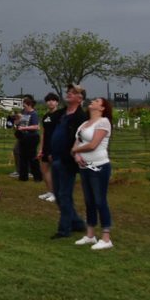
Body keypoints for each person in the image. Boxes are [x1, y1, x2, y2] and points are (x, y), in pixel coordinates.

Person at [72, 97, 115, 250]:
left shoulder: (103, 122)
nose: (93, 102)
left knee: (100, 200)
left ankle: (106, 237)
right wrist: (76, 156)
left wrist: (75, 151)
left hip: (99, 166)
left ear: (102, 108)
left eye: (97, 101)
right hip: (85, 167)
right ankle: (90, 235)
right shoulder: (84, 124)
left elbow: (93, 144)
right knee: (89, 201)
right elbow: (76, 142)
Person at [49, 84, 89, 239]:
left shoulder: (81, 118)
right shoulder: (61, 114)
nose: (69, 94)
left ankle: (64, 229)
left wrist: (70, 155)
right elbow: (48, 126)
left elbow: (81, 139)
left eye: (73, 92)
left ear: (80, 98)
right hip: (56, 157)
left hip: (68, 161)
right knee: (58, 195)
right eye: (68, 92)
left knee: (65, 194)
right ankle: (77, 223)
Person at [36, 92, 60, 202]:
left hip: (55, 146)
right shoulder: (46, 116)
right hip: (45, 146)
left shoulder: (59, 115)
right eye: (48, 100)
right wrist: (41, 148)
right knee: (44, 169)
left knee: (55, 171)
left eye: (53, 100)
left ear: (57, 102)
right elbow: (43, 133)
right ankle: (50, 191)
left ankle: (56, 193)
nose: (50, 102)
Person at [15, 97, 42, 182]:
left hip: (32, 137)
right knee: (22, 157)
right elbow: (20, 123)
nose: (24, 107)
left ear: (29, 105)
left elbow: (36, 126)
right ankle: (23, 176)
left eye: (25, 105)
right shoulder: (24, 113)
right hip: (24, 137)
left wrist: (24, 128)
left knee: (32, 157)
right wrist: (18, 120)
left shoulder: (34, 114)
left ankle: (37, 176)